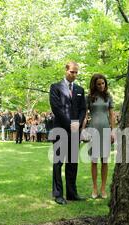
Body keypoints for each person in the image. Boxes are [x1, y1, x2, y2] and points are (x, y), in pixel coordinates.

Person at [49, 62, 86, 205]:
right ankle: (58, 194)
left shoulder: (79, 90)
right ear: (66, 70)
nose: (74, 75)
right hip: (60, 130)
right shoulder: (55, 87)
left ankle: (72, 193)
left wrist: (78, 122)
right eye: (72, 72)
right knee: (58, 163)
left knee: (72, 163)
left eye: (76, 72)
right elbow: (56, 108)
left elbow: (83, 108)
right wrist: (70, 124)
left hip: (75, 132)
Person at [84, 73, 115, 199]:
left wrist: (113, 131)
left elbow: (112, 115)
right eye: (98, 84)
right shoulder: (89, 97)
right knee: (94, 160)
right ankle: (95, 187)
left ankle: (103, 188)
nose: (101, 86)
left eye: (103, 83)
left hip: (106, 130)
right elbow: (85, 115)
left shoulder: (108, 97)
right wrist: (83, 130)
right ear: (94, 85)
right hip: (93, 130)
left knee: (105, 160)